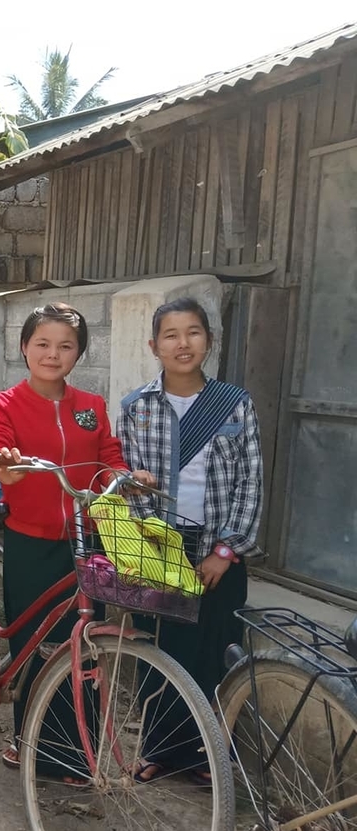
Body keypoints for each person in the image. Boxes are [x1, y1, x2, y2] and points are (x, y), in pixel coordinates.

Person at [0, 302, 152, 778]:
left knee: (83, 643)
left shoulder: (91, 407)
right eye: (42, 344)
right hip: (30, 541)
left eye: (65, 346)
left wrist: (123, 475)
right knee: (35, 644)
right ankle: (27, 743)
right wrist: (3, 461)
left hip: (86, 540)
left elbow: (107, 455)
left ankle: (78, 752)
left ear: (78, 354)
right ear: (24, 347)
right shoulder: (3, 404)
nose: (52, 354)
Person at [118, 296, 262, 783]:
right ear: (154, 345)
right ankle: (161, 751)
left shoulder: (235, 404)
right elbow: (130, 487)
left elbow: (251, 482)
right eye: (172, 335)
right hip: (162, 549)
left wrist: (227, 550)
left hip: (220, 549)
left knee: (215, 649)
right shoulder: (136, 408)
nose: (183, 344)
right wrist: (153, 547)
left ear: (209, 341)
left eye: (194, 333)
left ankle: (210, 759)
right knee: (161, 651)